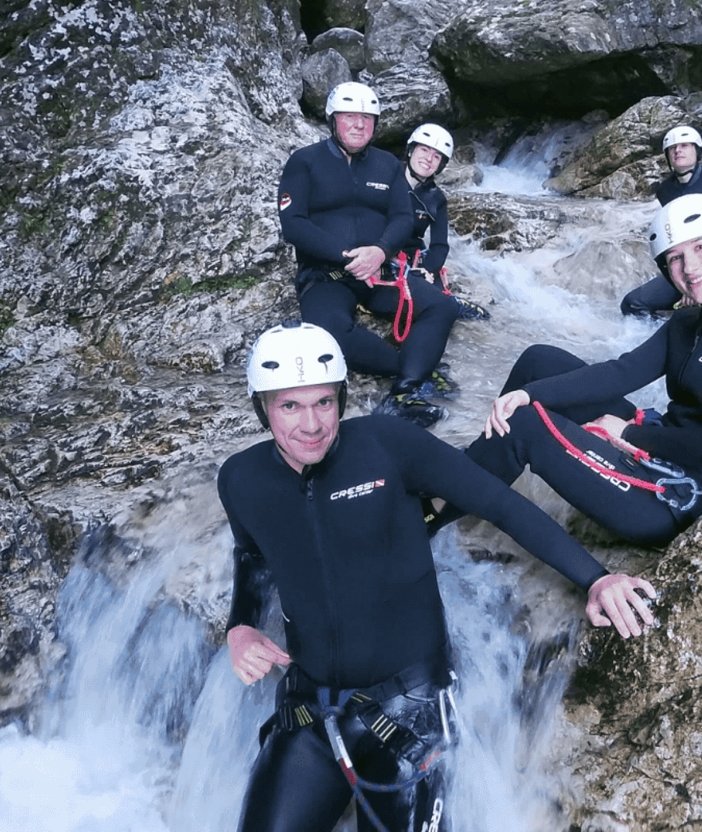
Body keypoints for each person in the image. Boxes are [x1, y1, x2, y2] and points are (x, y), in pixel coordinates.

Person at [221, 322, 657, 832]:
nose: (312, 423)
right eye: (289, 406)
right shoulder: (242, 478)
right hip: (311, 713)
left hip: (410, 715)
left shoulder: (387, 445)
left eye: (323, 402)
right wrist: (241, 625)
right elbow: (251, 554)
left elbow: (500, 504)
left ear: (341, 398)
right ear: (262, 408)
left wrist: (596, 578)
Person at [460, 195, 702, 546]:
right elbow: (623, 372)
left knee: (526, 426)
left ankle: (441, 505)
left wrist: (627, 434)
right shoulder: (688, 320)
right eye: (676, 258)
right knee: (539, 362)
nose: (690, 267)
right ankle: (464, 474)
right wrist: (529, 393)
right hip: (658, 448)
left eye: (701, 247)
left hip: (678, 499)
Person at [278, 82, 458, 427]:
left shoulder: (387, 165)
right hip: (327, 273)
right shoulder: (304, 162)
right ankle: (413, 366)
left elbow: (403, 218)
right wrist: (345, 256)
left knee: (442, 305)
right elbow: (294, 225)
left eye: (367, 118)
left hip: (380, 271)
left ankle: (404, 392)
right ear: (333, 119)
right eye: (350, 116)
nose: (359, 124)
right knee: (326, 332)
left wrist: (379, 250)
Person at [620, 125, 702, 317]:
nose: (677, 151)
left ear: (697, 151)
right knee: (632, 304)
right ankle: (667, 332)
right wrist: (684, 283)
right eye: (672, 148)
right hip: (686, 264)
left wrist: (699, 285)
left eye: (685, 145)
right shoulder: (665, 190)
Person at [398, 123, 489, 323]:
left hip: (411, 257)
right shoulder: (385, 175)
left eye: (436, 156)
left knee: (438, 306)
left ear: (440, 165)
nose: (428, 159)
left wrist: (427, 270)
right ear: (411, 150)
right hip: (381, 251)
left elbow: (439, 246)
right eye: (424, 150)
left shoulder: (436, 198)